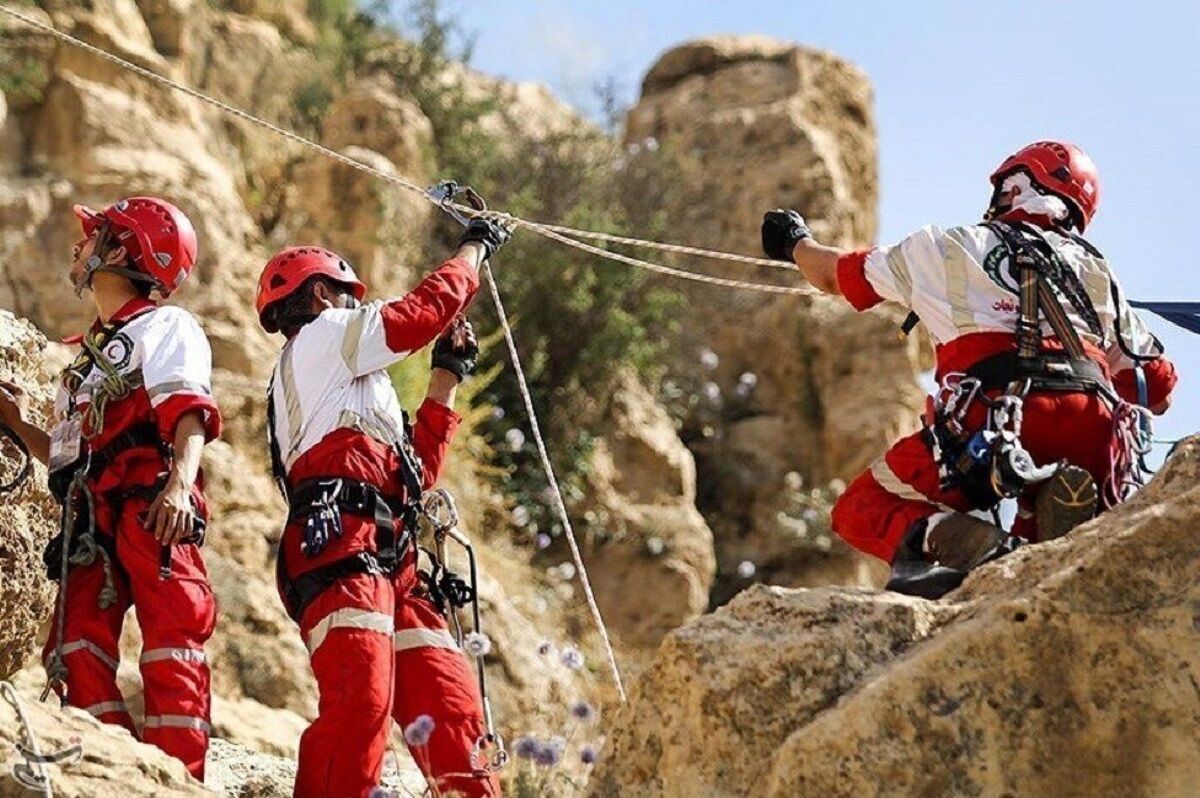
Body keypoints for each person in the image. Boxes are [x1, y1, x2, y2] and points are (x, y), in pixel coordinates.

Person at [761, 141, 1177, 597]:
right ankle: (1041, 520)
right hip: (1095, 428)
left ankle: (964, 542)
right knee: (1045, 546)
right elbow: (1156, 389)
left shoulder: (948, 247)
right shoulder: (1098, 272)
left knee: (862, 507)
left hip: (996, 417)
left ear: (1017, 187)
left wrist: (794, 241)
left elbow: (834, 274)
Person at [255, 215, 511, 798]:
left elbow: (412, 475)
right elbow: (418, 314)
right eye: (350, 297)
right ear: (323, 295)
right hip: (340, 540)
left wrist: (445, 379)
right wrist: (474, 249)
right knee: (360, 708)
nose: (357, 309)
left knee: (453, 713)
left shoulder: (352, 388)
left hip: (388, 550)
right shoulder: (321, 338)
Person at [0, 197, 221, 778]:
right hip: (91, 516)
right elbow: (66, 458)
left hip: (151, 501)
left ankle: (183, 780)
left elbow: (187, 411)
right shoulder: (81, 365)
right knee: (72, 648)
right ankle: (123, 771)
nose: (80, 245)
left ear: (121, 251)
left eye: (94, 235)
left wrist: (180, 483)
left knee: (173, 640)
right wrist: (20, 422)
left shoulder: (165, 325)